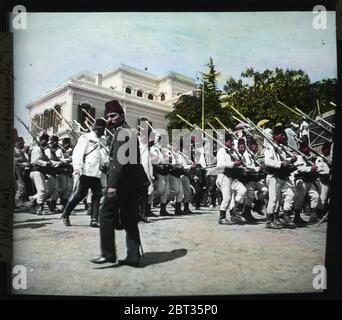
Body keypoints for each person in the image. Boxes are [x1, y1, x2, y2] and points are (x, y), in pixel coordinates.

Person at [91, 100, 148, 266]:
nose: (110, 119)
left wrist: (112, 185)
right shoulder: (125, 131)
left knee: (105, 214)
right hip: (133, 182)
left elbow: (120, 161)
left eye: (114, 115)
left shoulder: (123, 133)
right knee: (129, 218)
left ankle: (108, 254)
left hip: (123, 183)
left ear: (122, 115)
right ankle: (133, 256)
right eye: (108, 116)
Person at [61, 119, 107, 227]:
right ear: (98, 129)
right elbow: (78, 154)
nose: (104, 132)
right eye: (103, 130)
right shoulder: (85, 138)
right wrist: (77, 169)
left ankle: (94, 219)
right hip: (85, 172)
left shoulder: (99, 141)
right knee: (79, 195)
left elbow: (98, 156)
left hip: (95, 173)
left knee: (97, 195)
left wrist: (104, 163)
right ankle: (66, 214)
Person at [264, 125, 296, 229]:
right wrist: (281, 163)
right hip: (274, 176)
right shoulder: (270, 147)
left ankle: (285, 215)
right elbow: (267, 162)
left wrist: (291, 160)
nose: (283, 137)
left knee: (291, 194)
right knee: (273, 200)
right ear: (275, 135)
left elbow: (286, 160)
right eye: (281, 135)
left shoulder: (282, 148)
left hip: (283, 176)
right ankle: (269, 221)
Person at [215, 132, 246, 225]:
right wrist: (233, 164)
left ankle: (234, 211)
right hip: (223, 176)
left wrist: (237, 155)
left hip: (231, 176)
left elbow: (241, 160)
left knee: (242, 190)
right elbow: (220, 165)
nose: (232, 143)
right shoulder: (221, 151)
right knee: (227, 198)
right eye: (230, 141)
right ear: (225, 142)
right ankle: (222, 217)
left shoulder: (231, 151)